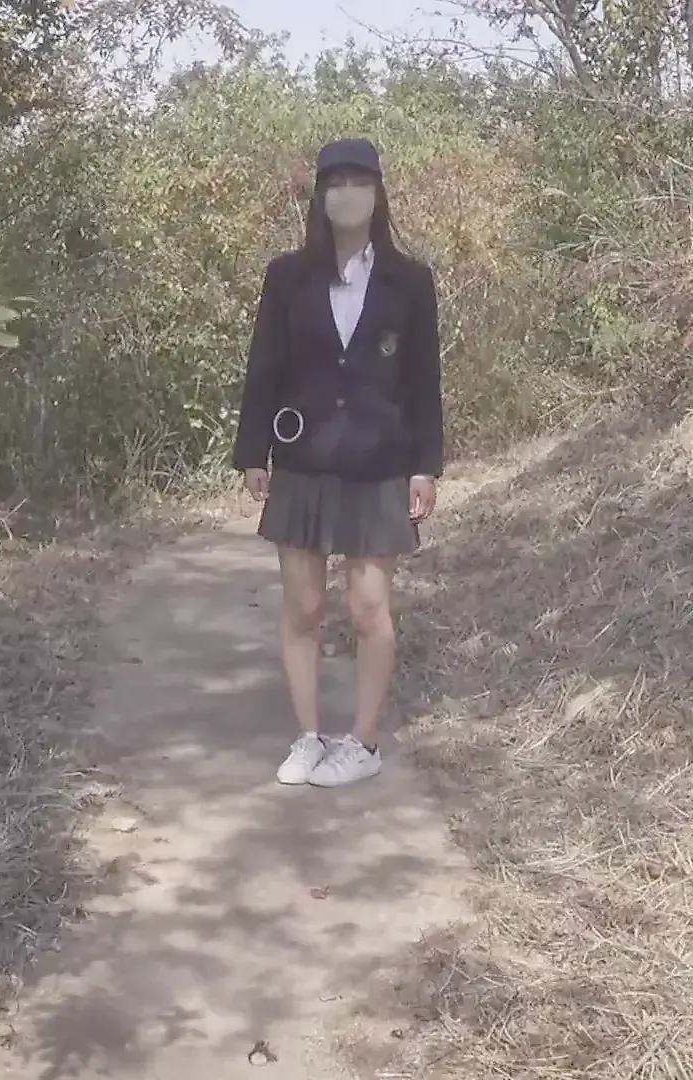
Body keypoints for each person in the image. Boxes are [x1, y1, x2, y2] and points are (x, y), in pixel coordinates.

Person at [230, 137, 444, 789]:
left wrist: (425, 466)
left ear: (378, 193)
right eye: (336, 182)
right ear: (320, 195)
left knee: (369, 608)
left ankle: (364, 743)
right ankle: (307, 737)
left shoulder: (410, 281)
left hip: (380, 464)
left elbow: (423, 381)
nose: (347, 193)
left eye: (359, 181)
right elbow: (265, 365)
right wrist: (253, 451)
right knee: (302, 607)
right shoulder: (287, 277)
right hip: (304, 458)